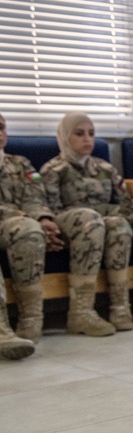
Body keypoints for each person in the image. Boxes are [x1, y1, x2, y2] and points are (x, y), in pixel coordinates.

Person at [41, 113, 133, 334]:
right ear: (65, 136)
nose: (87, 139)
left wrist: (116, 213)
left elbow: (127, 203)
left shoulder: (104, 168)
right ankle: (91, 311)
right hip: (80, 229)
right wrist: (106, 215)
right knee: (111, 224)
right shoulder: (54, 170)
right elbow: (55, 211)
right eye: (79, 133)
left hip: (114, 221)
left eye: (91, 134)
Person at [0, 111, 50, 359]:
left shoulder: (21, 164)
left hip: (13, 223)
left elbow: (34, 197)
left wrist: (43, 219)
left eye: (1, 128)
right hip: (10, 216)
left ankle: (31, 319)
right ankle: (1, 331)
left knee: (30, 229)